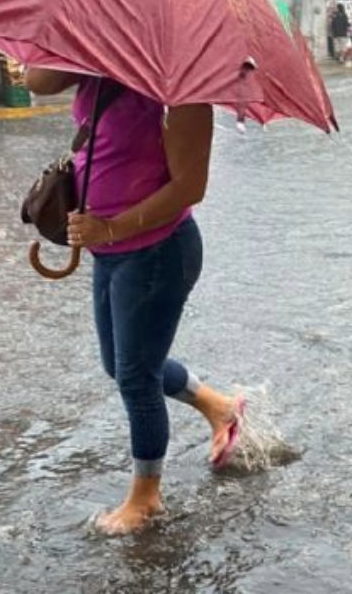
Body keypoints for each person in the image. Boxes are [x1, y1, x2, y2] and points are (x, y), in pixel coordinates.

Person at [24, 69, 246, 536]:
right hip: (110, 253)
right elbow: (37, 82)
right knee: (118, 364)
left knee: (135, 376)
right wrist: (75, 42)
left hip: (157, 252)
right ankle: (219, 406)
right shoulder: (100, 69)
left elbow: (190, 187)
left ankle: (146, 497)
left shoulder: (180, 89)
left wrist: (111, 228)